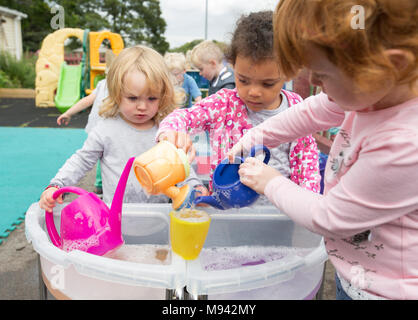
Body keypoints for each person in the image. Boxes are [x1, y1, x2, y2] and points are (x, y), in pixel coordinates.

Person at [231, 0, 418, 300]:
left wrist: (270, 182)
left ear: (391, 65)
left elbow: (329, 217)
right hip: (356, 274)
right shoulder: (371, 90)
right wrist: (258, 136)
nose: (314, 83)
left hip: (387, 292)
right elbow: (313, 111)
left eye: (322, 74)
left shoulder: (405, 144)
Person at [156, 11, 321, 204]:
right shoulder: (223, 104)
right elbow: (182, 118)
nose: (253, 92)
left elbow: (307, 163)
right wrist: (170, 133)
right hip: (228, 212)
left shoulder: (296, 108)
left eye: (267, 84)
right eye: (243, 80)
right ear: (233, 64)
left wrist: (307, 206)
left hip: (280, 214)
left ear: (289, 72)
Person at [39, 45, 204, 212]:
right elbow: (81, 160)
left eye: (152, 98)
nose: (142, 106)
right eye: (132, 98)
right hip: (116, 220)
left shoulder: (165, 131)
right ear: (116, 93)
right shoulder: (105, 130)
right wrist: (57, 184)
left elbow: (181, 166)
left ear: (163, 96)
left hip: (159, 217)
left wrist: (194, 186)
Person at [57, 50, 116, 195]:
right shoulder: (108, 85)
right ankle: (100, 184)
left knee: (99, 153)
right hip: (103, 126)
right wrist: (68, 112)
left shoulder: (102, 83)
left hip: (104, 126)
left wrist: (68, 113)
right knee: (102, 153)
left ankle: (100, 184)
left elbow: (87, 100)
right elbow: (87, 100)